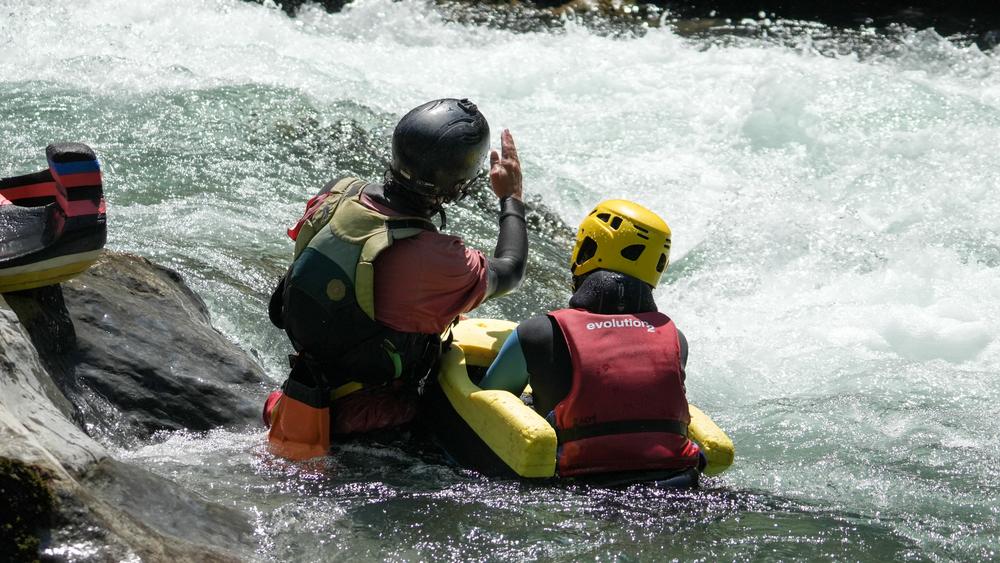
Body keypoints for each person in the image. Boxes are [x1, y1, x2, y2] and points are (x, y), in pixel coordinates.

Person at [265, 98, 527, 460]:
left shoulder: (337, 192)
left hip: (308, 385)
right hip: (378, 427)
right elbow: (510, 269)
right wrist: (512, 199)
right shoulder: (439, 259)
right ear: (457, 187)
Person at [479, 199, 704, 486]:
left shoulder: (539, 333)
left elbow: (489, 401)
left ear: (586, 251)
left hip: (584, 494)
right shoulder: (675, 339)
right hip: (681, 484)